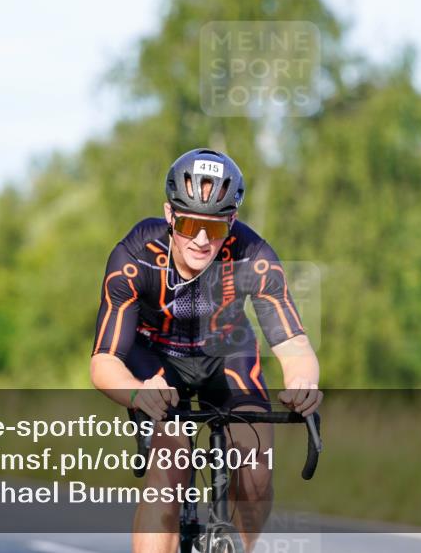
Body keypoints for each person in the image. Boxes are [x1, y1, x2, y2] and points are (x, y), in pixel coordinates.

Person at [90, 148, 322, 553]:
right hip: (155, 358)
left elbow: (292, 341)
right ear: (169, 214)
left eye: (213, 229)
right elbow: (105, 360)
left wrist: (303, 381)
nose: (200, 239)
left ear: (231, 223)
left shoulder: (254, 255)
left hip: (226, 352)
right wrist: (137, 393)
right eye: (190, 223)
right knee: (170, 465)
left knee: (255, 472)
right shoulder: (133, 258)